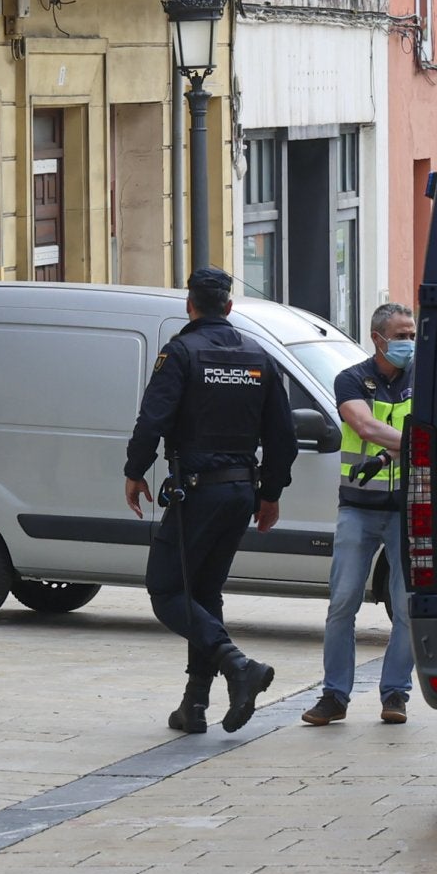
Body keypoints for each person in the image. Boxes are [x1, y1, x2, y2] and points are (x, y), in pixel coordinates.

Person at [124, 268, 298, 735]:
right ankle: (194, 704)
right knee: (202, 593)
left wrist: (134, 470)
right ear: (228, 307)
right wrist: (271, 493)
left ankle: (238, 665)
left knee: (165, 591)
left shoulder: (180, 352)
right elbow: (284, 437)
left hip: (198, 491)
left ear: (190, 305)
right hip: (241, 492)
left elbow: (152, 420)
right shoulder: (259, 356)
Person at [301, 302, 416, 727]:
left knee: (406, 608)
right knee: (342, 602)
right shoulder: (350, 379)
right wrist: (419, 441)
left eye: (412, 334)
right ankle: (335, 696)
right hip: (359, 508)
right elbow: (364, 427)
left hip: (409, 509)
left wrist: (408, 443)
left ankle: (395, 694)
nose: (409, 343)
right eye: (401, 335)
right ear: (378, 338)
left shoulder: (424, 378)